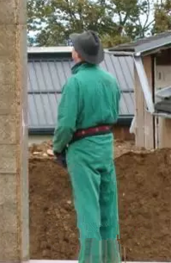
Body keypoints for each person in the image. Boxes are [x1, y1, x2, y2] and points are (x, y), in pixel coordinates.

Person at [52, 30, 122, 263]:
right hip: (105, 147)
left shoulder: (75, 83)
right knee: (108, 210)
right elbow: (115, 114)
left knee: (89, 212)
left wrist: (58, 148)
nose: (71, 49)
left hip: (82, 150)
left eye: (73, 46)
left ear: (78, 55)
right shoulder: (111, 81)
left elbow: (65, 125)